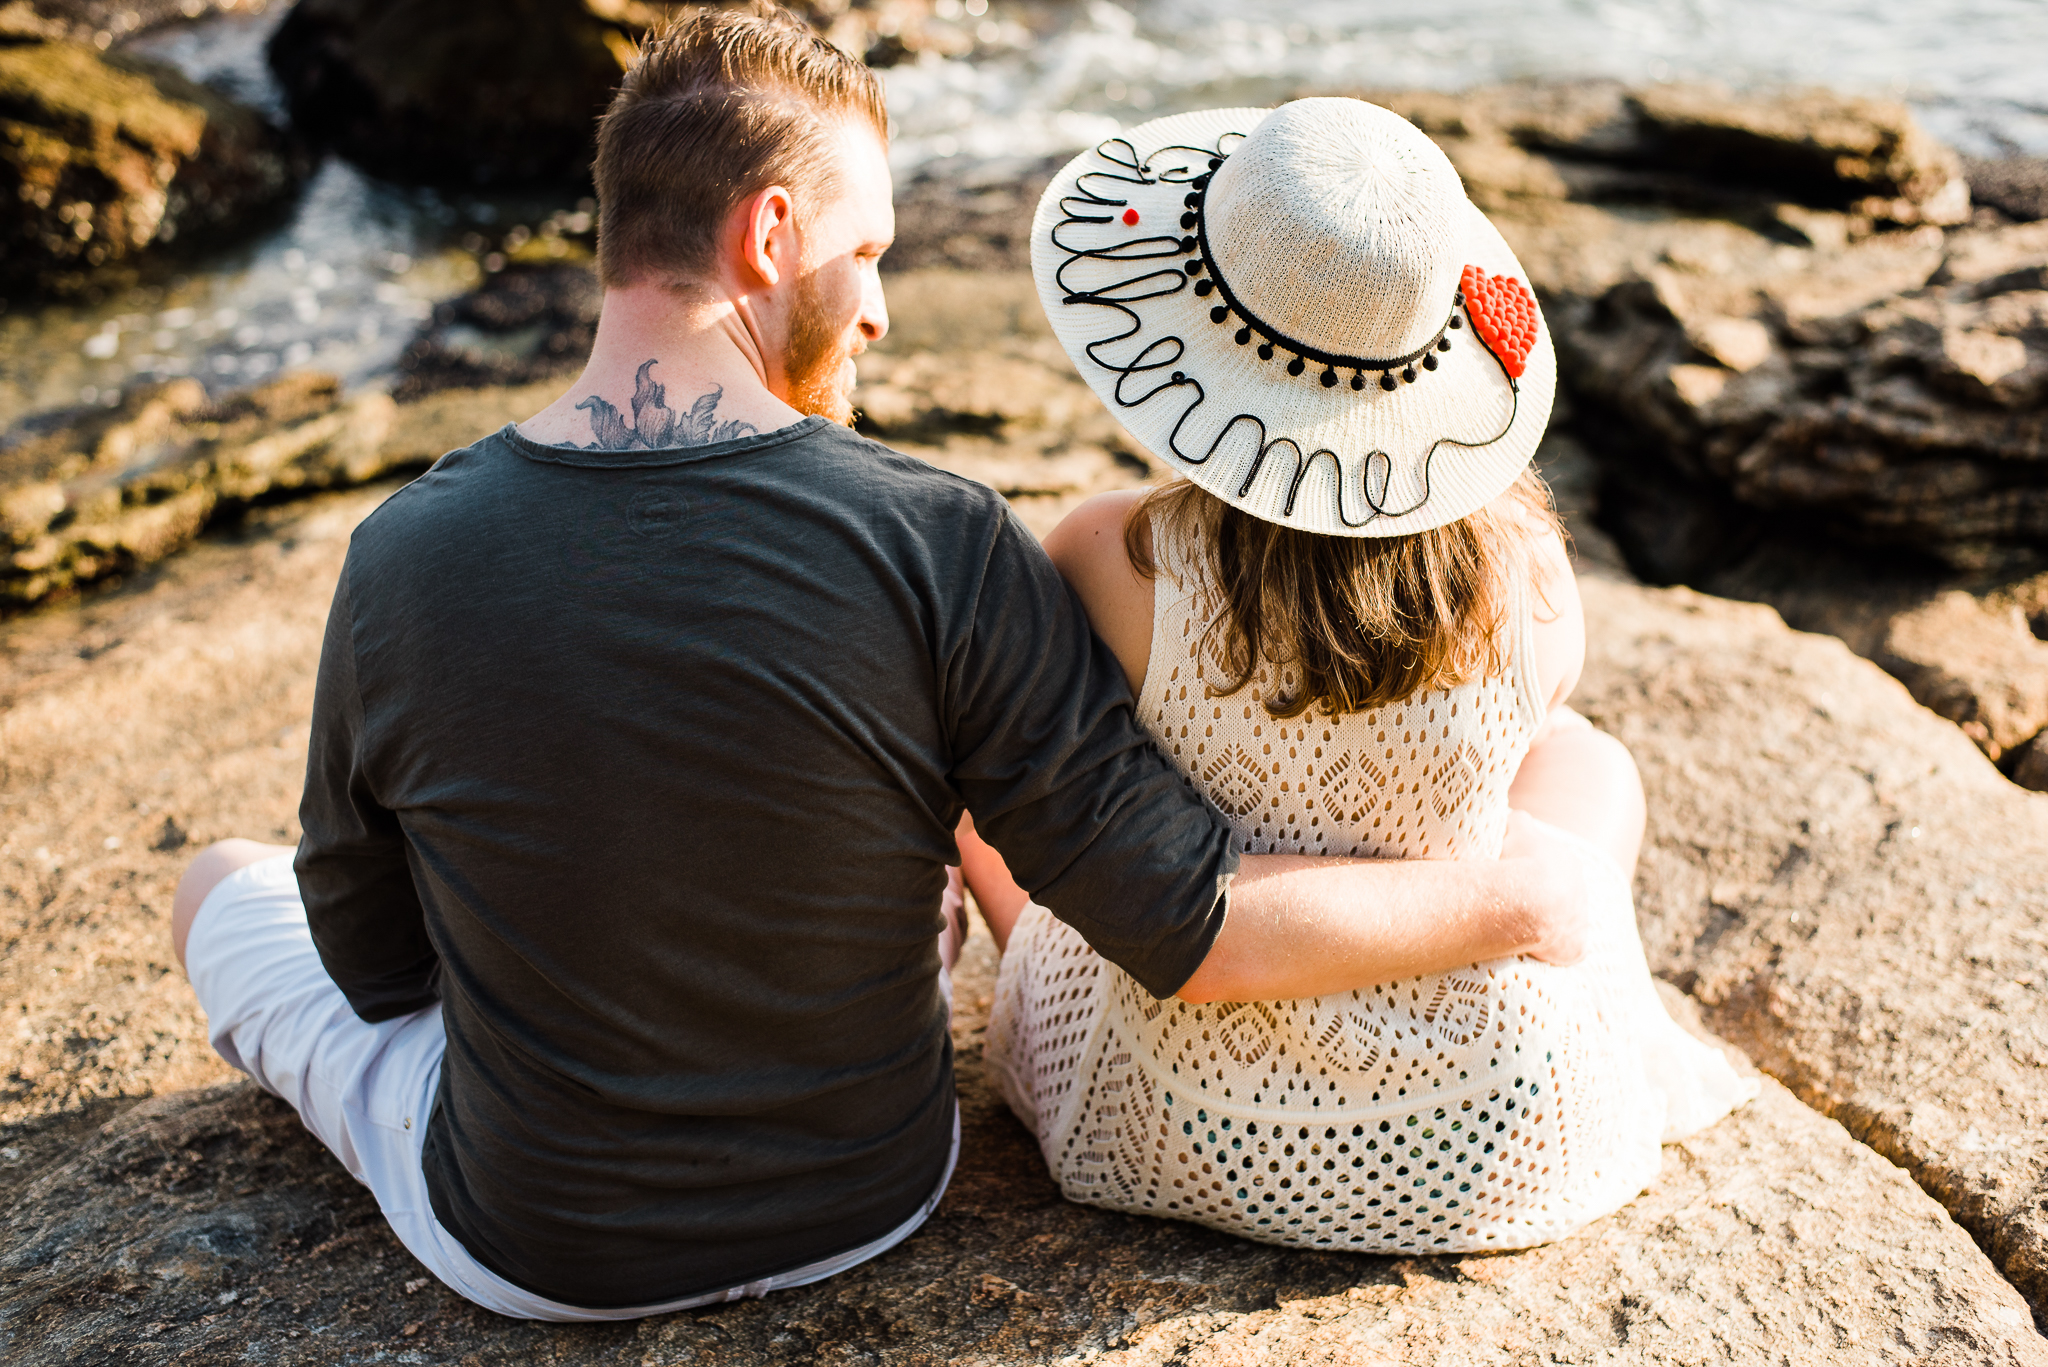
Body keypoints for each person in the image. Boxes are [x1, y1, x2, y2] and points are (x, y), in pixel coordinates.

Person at [167, 11, 1618, 1322]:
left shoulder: (402, 555)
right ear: (769, 235)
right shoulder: (948, 541)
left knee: (217, 882)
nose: (879, 313)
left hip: (540, 1244)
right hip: (875, 1191)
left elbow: (371, 964)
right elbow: (1182, 910)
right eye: (868, 256)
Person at [968, 98, 1755, 1251]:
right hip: (1484, 1124)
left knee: (987, 804)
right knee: (1583, 760)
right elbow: (1531, 725)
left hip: (1162, 1112)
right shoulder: (1526, 565)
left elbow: (1028, 785)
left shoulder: (1104, 554)